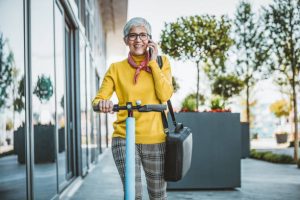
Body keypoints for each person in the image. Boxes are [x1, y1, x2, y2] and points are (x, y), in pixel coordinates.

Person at [92, 17, 173, 199]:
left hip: (156, 137)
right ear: (125, 40)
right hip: (124, 137)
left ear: (150, 39)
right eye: (133, 35)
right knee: (132, 195)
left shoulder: (162, 62)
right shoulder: (116, 69)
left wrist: (152, 62)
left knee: (158, 195)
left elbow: (165, 95)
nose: (138, 40)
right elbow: (98, 100)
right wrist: (103, 103)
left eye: (143, 35)